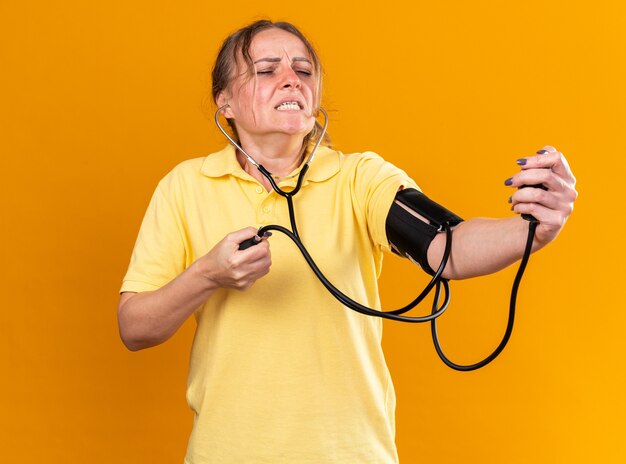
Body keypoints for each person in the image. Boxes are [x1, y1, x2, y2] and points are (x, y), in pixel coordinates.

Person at [118, 19, 577, 463]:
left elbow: (446, 245)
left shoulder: (359, 177)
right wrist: (207, 275)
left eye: (303, 70)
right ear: (225, 103)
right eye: (266, 69)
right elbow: (134, 328)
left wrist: (534, 229)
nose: (290, 80)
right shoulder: (184, 187)